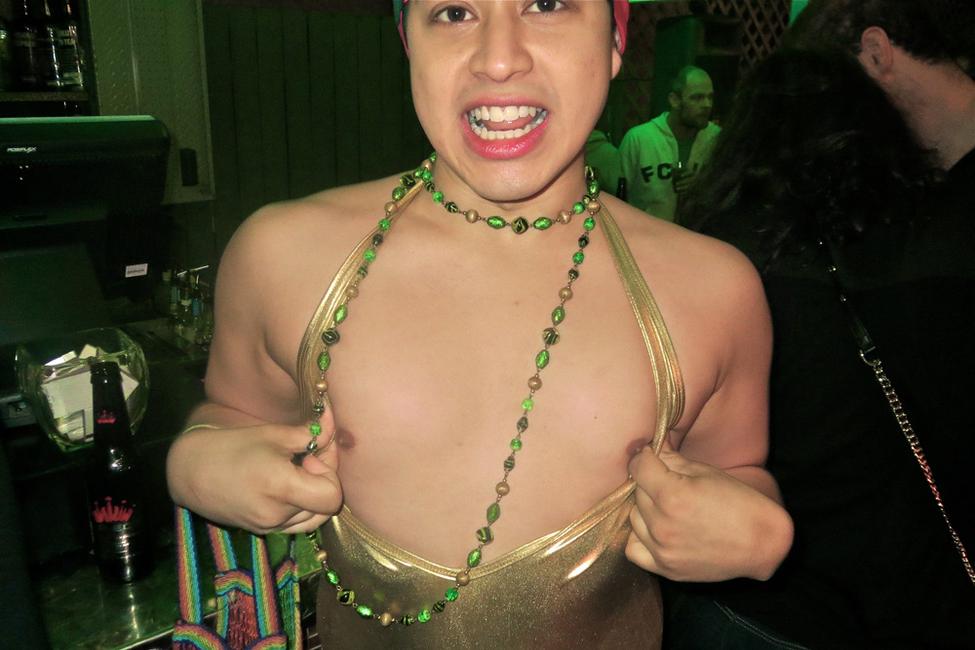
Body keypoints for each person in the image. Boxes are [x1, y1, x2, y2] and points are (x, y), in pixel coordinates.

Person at [166, 1, 793, 647]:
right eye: (454, 11)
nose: (498, 59)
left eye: (546, 4)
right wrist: (197, 461)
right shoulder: (284, 258)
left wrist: (755, 528)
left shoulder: (711, 291)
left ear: (614, 36)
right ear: (406, 39)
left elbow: (734, 472)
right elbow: (232, 415)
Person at [672, 0, 975, 646]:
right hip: (920, 596)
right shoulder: (937, 235)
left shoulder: (716, 258)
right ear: (869, 128)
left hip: (773, 605)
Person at [619, 66, 720, 222]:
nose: (707, 104)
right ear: (675, 100)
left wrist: (703, 185)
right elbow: (617, 196)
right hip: (646, 234)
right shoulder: (640, 139)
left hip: (697, 234)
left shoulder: (717, 139)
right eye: (697, 98)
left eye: (710, 97)